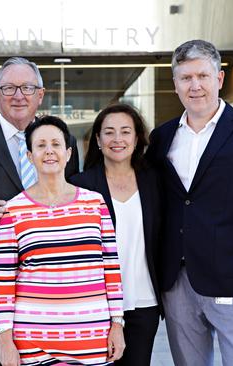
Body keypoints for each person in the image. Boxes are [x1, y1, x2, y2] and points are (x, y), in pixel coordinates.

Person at [145, 39, 233, 365]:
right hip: (178, 283)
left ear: (219, 79)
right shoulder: (162, 137)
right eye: (186, 78)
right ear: (175, 84)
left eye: (202, 76)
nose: (195, 86)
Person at [0, 57, 79, 365]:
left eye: (27, 87)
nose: (18, 95)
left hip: (52, 292)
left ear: (40, 94)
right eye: (9, 87)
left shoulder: (61, 142)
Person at [0, 116, 125, 365]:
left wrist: (117, 324)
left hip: (92, 337)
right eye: (41, 145)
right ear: (30, 156)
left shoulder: (95, 203)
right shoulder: (12, 210)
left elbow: (111, 268)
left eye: (55, 144)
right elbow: (2, 282)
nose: (49, 151)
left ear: (68, 153)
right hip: (33, 340)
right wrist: (5, 341)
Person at [70, 103, 163, 365]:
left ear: (137, 138)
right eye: (109, 132)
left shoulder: (154, 181)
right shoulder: (81, 186)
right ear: (98, 140)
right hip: (96, 302)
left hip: (144, 299)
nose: (117, 139)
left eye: (125, 131)